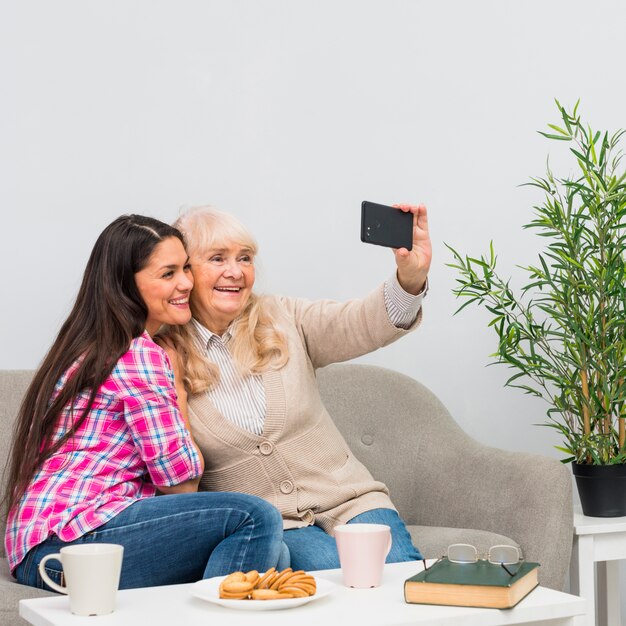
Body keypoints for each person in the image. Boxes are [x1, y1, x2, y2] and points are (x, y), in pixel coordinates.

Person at [3, 215, 284, 591]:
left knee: (276, 555)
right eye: (168, 274)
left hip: (44, 546)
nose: (186, 282)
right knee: (255, 518)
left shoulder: (93, 344)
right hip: (69, 548)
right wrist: (178, 389)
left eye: (185, 267)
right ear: (126, 286)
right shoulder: (138, 355)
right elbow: (182, 485)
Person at [161, 203, 431, 571]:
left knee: (399, 582)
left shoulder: (284, 317)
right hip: (272, 524)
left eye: (245, 258)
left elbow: (361, 322)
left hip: (351, 501)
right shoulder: (164, 356)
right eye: (218, 258)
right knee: (336, 591)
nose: (235, 272)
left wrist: (410, 279)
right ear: (185, 272)